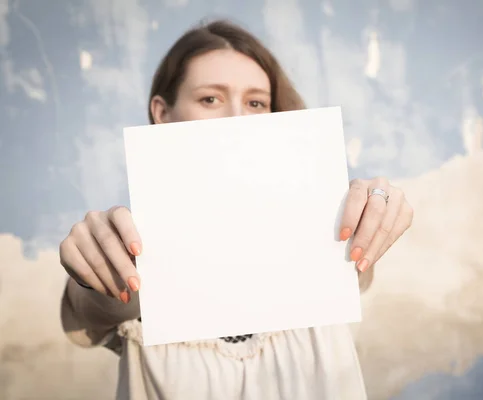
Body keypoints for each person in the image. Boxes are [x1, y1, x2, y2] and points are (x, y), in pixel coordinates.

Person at [59, 19, 414, 400]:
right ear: (162, 114)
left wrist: (373, 215)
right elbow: (91, 313)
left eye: (256, 102)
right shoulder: (127, 243)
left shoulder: (320, 224)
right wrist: (91, 274)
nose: (236, 118)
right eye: (210, 98)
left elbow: (356, 275)